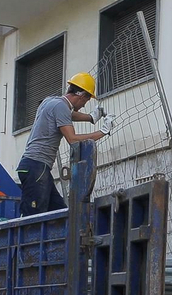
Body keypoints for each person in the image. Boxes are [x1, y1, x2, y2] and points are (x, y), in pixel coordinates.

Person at [15, 71, 108, 218]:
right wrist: (103, 132)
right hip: (36, 167)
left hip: (34, 167)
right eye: (85, 101)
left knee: (59, 213)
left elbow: (68, 114)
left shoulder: (51, 101)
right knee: (33, 218)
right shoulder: (60, 107)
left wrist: (91, 118)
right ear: (81, 95)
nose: (83, 106)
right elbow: (72, 140)